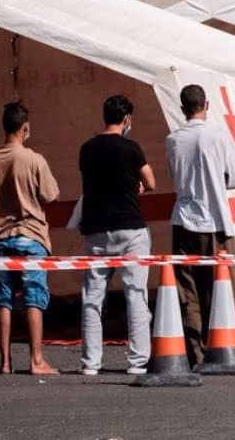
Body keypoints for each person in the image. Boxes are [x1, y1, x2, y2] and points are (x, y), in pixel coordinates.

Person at [164, 85, 235, 374]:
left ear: (182, 109)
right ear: (206, 105)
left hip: (183, 220)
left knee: (188, 291)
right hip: (215, 219)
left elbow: (173, 174)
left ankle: (196, 352)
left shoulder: (173, 139)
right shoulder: (217, 135)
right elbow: (234, 178)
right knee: (227, 286)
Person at [78, 95, 155, 376]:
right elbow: (150, 181)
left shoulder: (87, 149)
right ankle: (138, 361)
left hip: (97, 229)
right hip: (130, 228)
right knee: (136, 294)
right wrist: (137, 185)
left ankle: (91, 362)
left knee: (92, 297)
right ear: (126, 119)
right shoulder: (131, 148)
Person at [0, 103, 60, 375]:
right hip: (31, 236)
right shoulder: (34, 159)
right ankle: (36, 360)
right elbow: (51, 195)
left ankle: (5, 362)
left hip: (2, 237)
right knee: (33, 296)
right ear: (25, 127)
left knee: (3, 298)